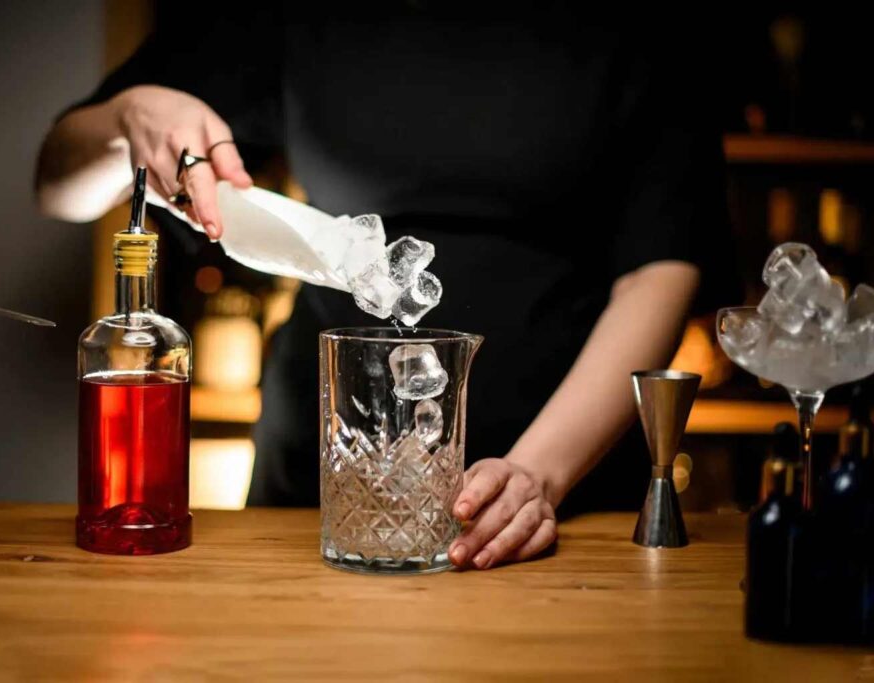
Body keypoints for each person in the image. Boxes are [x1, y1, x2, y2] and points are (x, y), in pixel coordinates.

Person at [36, 6, 733, 570]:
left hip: (569, 504)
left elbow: (661, 267)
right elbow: (58, 181)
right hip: (322, 505)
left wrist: (538, 475)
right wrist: (127, 117)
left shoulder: (640, 24)